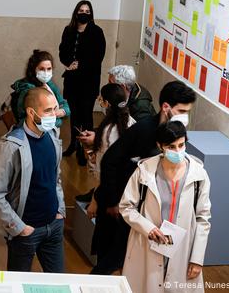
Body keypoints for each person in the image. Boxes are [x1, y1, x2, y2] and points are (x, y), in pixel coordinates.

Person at [81, 80, 196, 275]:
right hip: (120, 207)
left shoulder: (177, 136)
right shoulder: (142, 130)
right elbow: (110, 162)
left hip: (148, 214)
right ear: (166, 107)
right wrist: (112, 202)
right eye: (182, 111)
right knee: (110, 260)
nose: (185, 117)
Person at [119, 121, 211, 293]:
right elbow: (126, 207)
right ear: (160, 146)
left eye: (181, 145)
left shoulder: (199, 175)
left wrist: (197, 258)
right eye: (171, 147)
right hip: (149, 245)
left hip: (183, 249)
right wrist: (148, 228)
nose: (178, 151)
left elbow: (203, 218)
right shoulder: (144, 171)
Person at [0, 87, 66, 272]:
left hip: (53, 226)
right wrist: (19, 228)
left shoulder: (53, 136)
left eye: (55, 109)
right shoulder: (9, 147)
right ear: (31, 112)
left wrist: (60, 211)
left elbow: (56, 178)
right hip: (25, 232)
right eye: (48, 110)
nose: (54, 115)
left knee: (58, 285)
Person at [59, 0, 106, 166]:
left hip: (88, 81)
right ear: (76, 12)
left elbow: (98, 56)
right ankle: (73, 143)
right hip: (72, 80)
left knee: (86, 116)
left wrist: (80, 64)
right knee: (74, 115)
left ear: (91, 14)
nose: (84, 13)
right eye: (81, 10)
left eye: (87, 11)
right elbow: (62, 51)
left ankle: (84, 148)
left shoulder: (97, 32)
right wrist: (69, 62)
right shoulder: (68, 30)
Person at [80, 83, 136, 214]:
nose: (100, 102)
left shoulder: (108, 131)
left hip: (110, 193)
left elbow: (104, 169)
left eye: (101, 99)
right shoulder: (131, 122)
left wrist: (95, 200)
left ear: (107, 103)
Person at [10, 49, 69, 128]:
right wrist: (58, 119)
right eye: (41, 69)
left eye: (49, 69)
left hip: (51, 134)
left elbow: (64, 104)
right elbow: (29, 120)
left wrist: (63, 111)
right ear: (33, 70)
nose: (46, 73)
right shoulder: (27, 90)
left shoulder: (49, 84)